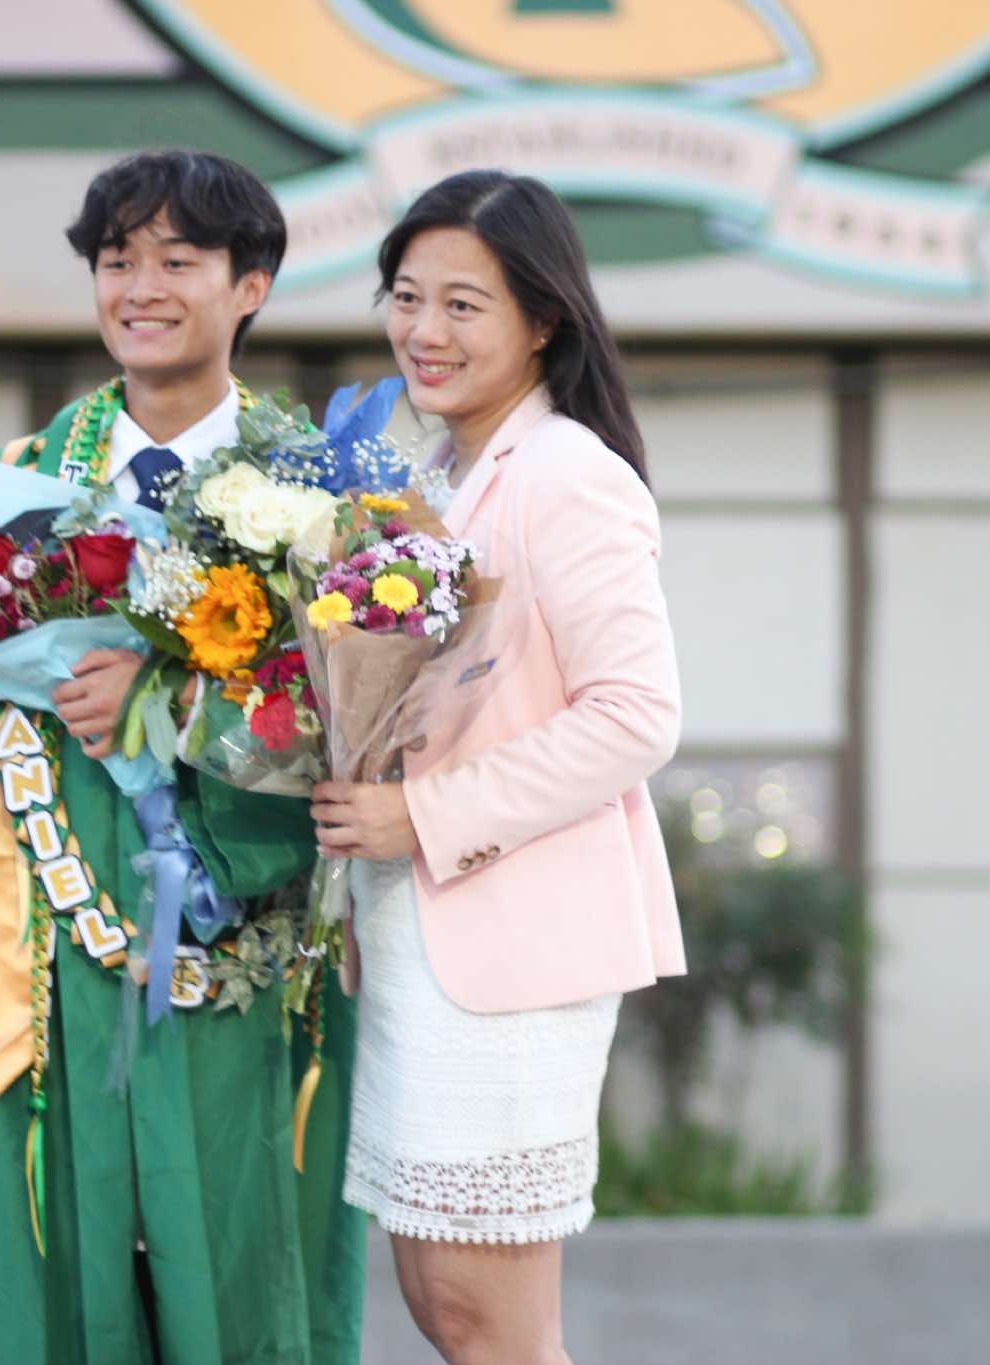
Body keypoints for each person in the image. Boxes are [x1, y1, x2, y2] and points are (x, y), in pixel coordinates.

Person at [0, 149, 363, 1365]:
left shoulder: (323, 498)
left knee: (240, 1276)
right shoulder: (13, 490)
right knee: (50, 1281)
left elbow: (358, 732)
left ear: (250, 286)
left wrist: (177, 700)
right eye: (115, 259)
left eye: (176, 260)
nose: (139, 287)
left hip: (250, 956)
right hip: (43, 961)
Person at [310, 170, 686, 1365]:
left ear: (541, 320)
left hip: (514, 949)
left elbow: (636, 716)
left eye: (462, 305)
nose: (423, 330)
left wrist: (420, 815)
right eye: (405, 297)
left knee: (492, 1324)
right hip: (415, 934)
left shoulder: (570, 474)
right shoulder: (428, 481)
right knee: (442, 1306)